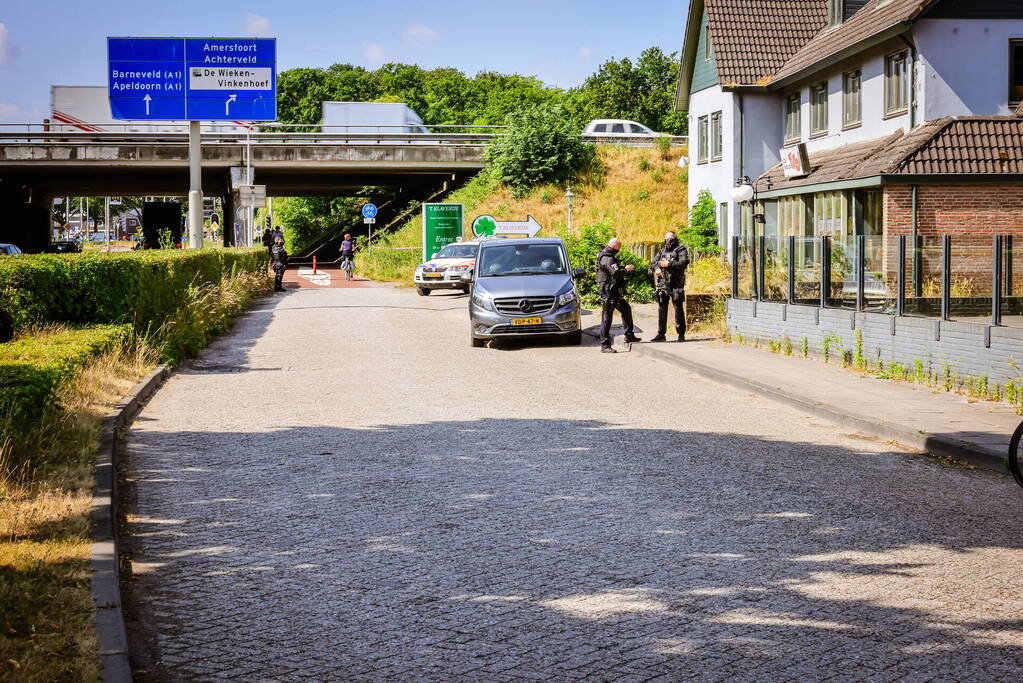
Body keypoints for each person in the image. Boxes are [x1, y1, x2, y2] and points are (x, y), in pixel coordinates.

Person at [595, 237, 641, 353]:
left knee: (626, 309)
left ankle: (629, 335)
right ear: (615, 246)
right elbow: (615, 272)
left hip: (613, 290)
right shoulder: (608, 258)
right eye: (619, 247)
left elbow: (613, 270)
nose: (619, 250)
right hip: (608, 292)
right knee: (607, 318)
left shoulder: (604, 255)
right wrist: (626, 269)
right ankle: (605, 345)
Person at [649, 230, 691, 342]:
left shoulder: (681, 249)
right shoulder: (662, 251)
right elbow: (652, 263)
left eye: (671, 239)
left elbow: (683, 263)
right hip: (663, 283)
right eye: (667, 239)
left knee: (678, 307)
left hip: (676, 283)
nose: (669, 241)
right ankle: (661, 334)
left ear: (675, 238)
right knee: (662, 308)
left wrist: (669, 264)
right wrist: (656, 268)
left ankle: (681, 334)